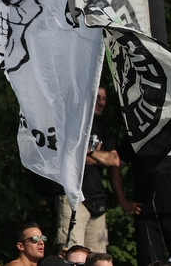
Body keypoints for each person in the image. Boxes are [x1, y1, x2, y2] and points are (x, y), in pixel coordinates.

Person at [110, 136, 171, 266]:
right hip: (146, 215)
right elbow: (114, 167)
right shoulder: (136, 137)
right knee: (150, 262)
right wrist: (123, 201)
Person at [56, 87, 118, 252]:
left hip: (97, 199)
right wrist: (99, 158)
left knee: (98, 258)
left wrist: (89, 152)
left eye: (104, 98)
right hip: (73, 198)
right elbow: (69, 158)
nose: (101, 102)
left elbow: (114, 160)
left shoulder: (102, 128)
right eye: (97, 97)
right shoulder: (72, 123)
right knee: (71, 253)